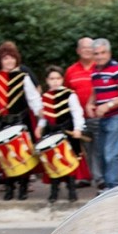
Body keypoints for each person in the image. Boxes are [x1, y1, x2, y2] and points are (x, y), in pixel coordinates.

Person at [0, 40, 43, 201]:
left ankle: (23, 186)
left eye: (11, 58)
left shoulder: (23, 78)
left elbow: (33, 98)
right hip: (1, 121)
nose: (9, 61)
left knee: (23, 154)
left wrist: (41, 113)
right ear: (0, 61)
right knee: (5, 155)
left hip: (21, 120)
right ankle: (9, 186)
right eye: (5, 59)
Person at [85, 39, 118, 190]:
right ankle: (106, 185)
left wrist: (108, 105)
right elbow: (96, 90)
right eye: (96, 54)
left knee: (110, 153)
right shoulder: (95, 71)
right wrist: (90, 103)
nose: (99, 56)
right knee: (101, 152)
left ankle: (114, 187)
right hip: (103, 117)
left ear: (109, 53)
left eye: (103, 53)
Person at [35, 66, 85, 202]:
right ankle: (54, 190)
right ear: (47, 80)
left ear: (62, 79)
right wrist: (39, 127)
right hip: (51, 132)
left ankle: (72, 189)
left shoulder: (70, 94)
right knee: (52, 161)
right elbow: (44, 117)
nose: (55, 81)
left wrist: (78, 128)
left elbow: (77, 113)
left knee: (68, 160)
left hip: (67, 132)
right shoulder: (45, 97)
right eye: (52, 79)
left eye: (58, 78)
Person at [65, 37, 98, 186]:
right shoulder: (71, 71)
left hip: (98, 115)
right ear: (78, 51)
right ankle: (84, 177)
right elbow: (66, 92)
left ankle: (101, 178)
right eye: (83, 47)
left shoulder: (99, 67)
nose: (87, 50)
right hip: (78, 117)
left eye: (90, 47)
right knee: (81, 148)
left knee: (98, 148)